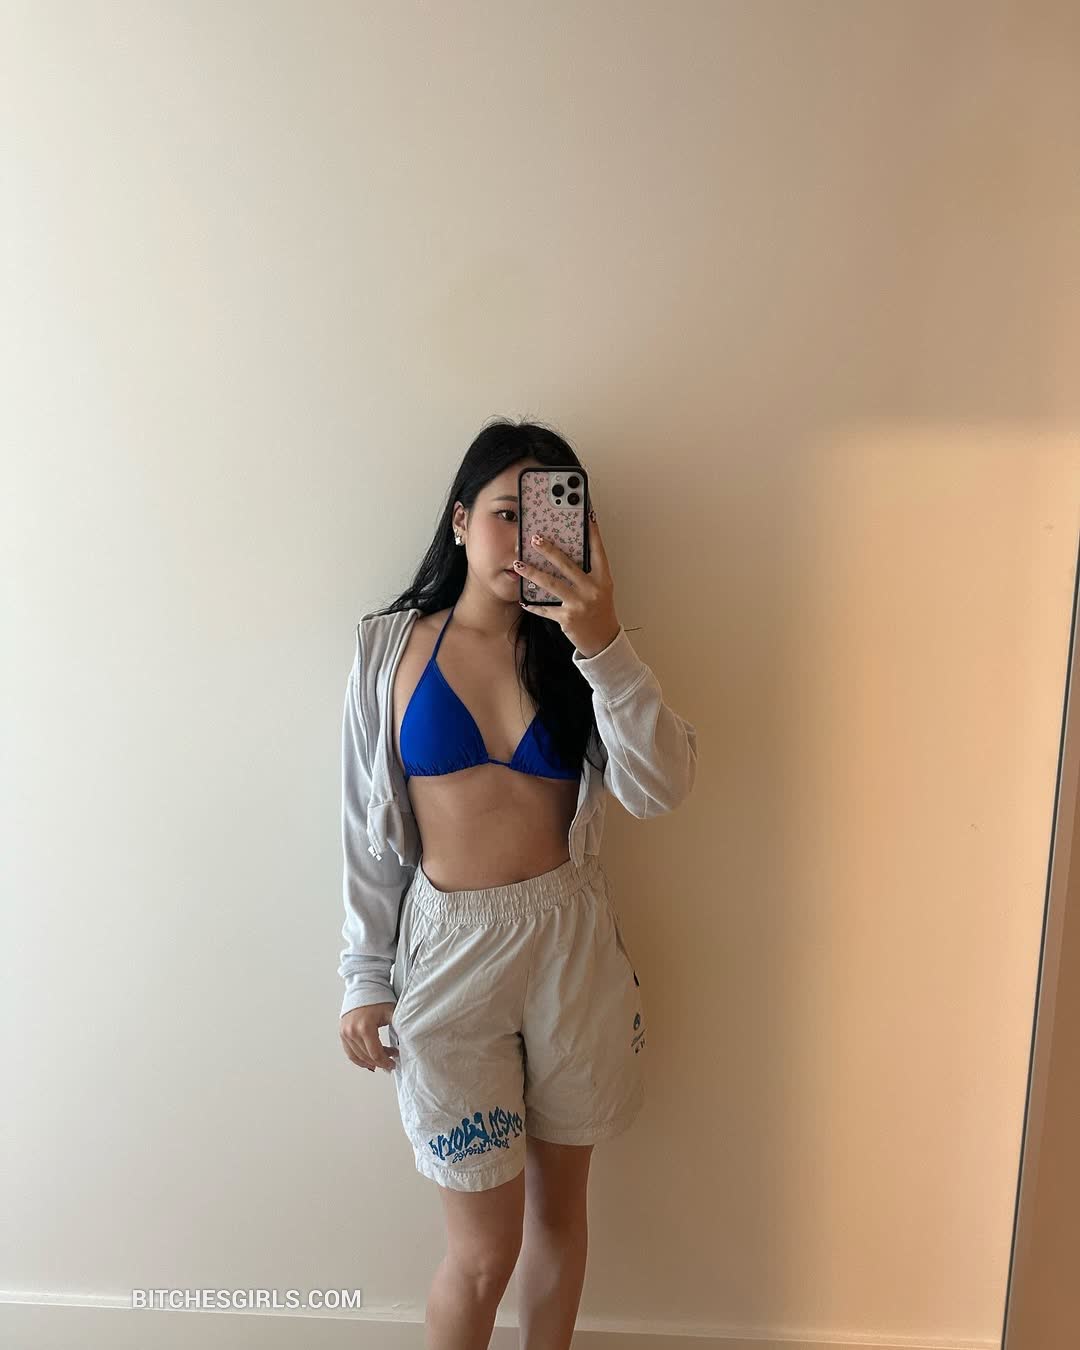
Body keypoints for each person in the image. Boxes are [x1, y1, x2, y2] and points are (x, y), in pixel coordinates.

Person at [337, 418, 697, 1347]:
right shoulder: (390, 651)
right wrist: (363, 975)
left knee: (560, 1223)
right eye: (506, 513)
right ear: (460, 520)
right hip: (449, 955)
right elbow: (366, 833)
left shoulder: (582, 656)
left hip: (571, 947)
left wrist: (602, 641)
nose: (524, 539)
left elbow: (662, 789)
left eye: (546, 519)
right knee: (482, 1254)